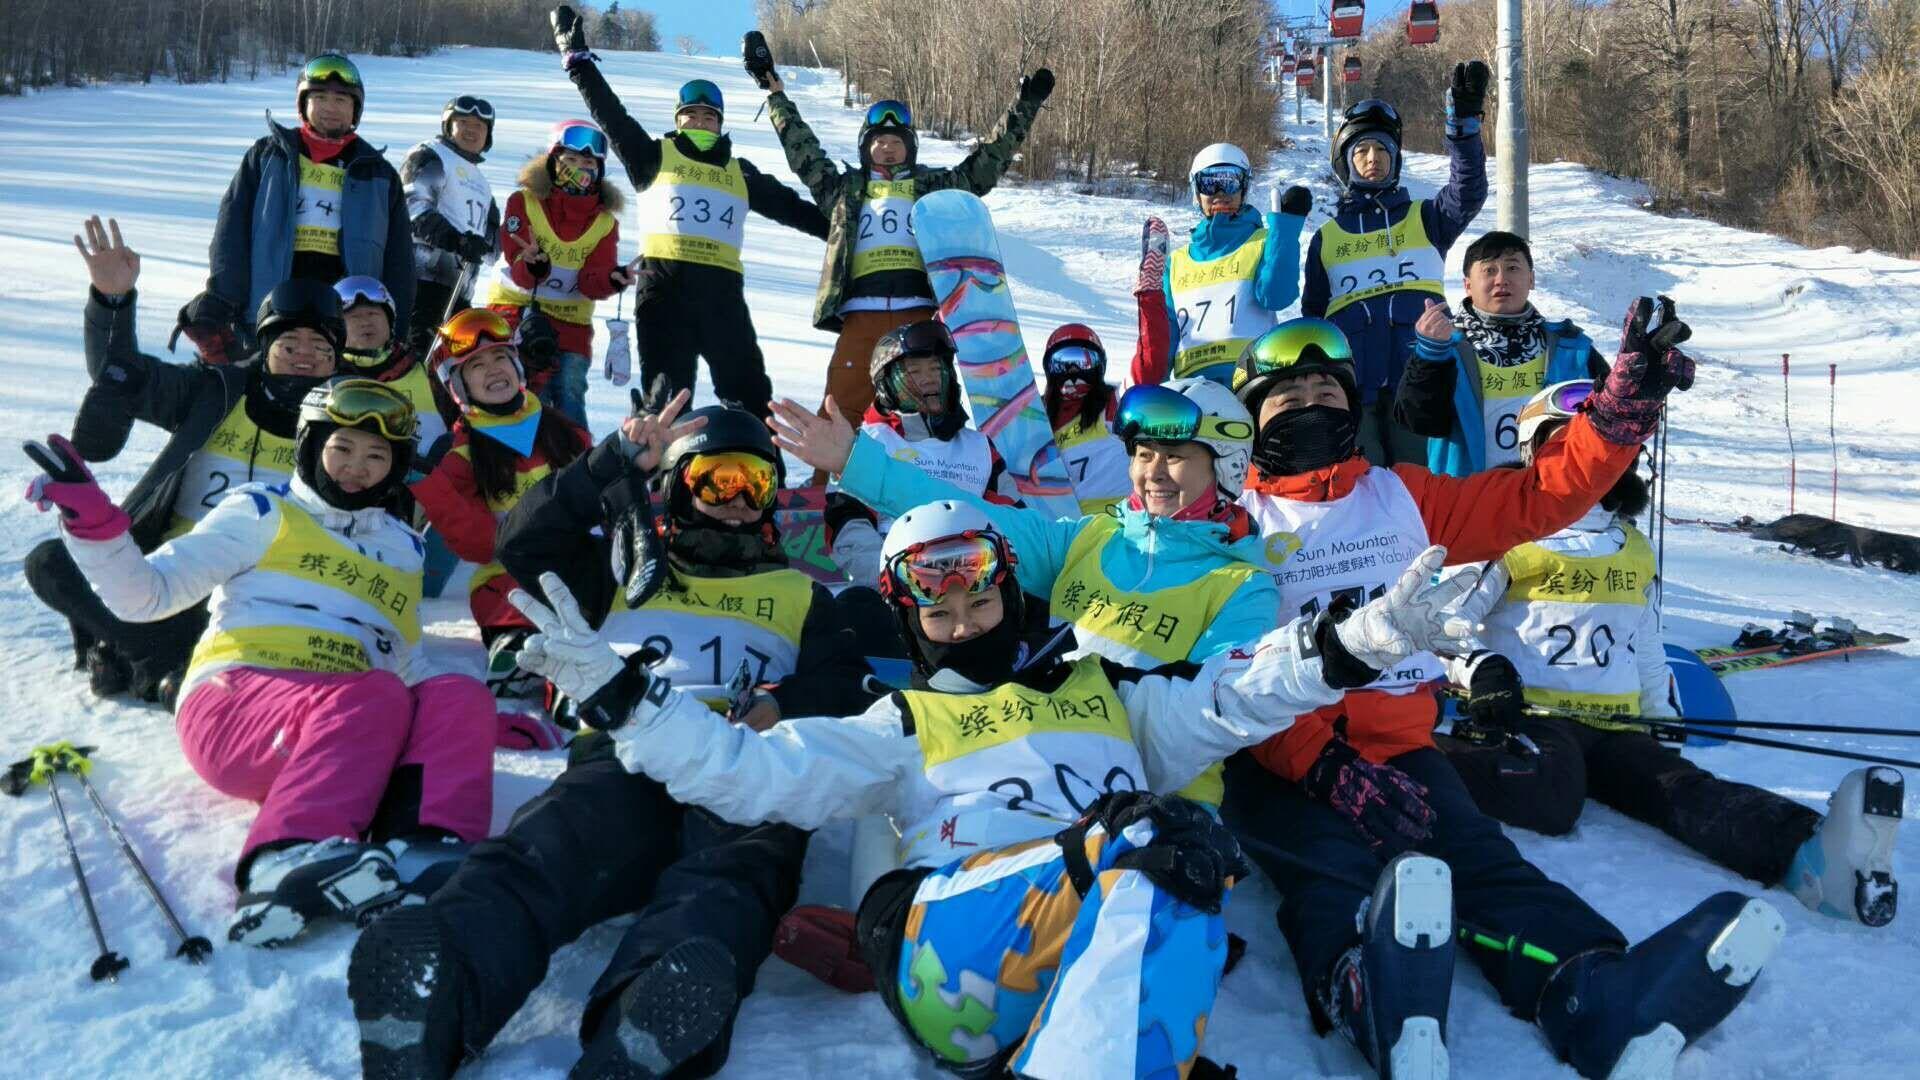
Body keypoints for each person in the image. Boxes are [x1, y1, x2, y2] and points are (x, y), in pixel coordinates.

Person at [499, 499, 1485, 1079]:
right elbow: (745, 775)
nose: (965, 619)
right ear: (908, 621)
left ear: (1012, 592)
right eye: (940, 608)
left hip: (1091, 931)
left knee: (1181, 850)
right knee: (1154, 837)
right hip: (947, 955)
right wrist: (626, 699)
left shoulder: (1115, 694)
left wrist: (1367, 639)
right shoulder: (899, 725)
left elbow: (1238, 695)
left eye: (981, 595)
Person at [1219, 310, 1787, 1079]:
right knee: (1329, 868)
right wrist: (1319, 766)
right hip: (1277, 757)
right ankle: (1366, 988)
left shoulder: (1403, 496)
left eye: (1329, 389)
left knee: (1482, 862)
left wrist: (1617, 419)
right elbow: (1226, 666)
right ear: (1251, 417)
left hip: (1399, 745)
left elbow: (1538, 499)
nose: (1313, 404)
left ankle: (1595, 992)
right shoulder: (1232, 525)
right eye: (1288, 397)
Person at [348, 397, 875, 1079]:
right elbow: (521, 542)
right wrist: (608, 465)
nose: (739, 500)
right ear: (678, 486)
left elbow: (844, 679)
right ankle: (440, 988)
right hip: (623, 759)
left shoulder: (802, 594)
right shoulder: (623, 573)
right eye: (719, 480)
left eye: (757, 483)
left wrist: (784, 703)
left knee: (726, 885)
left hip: (747, 768)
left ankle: (645, 1028)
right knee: (548, 849)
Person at [25, 377, 496, 946]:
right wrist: (96, 528)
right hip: (237, 703)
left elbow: (402, 657)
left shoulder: (404, 547)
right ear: (311, 445)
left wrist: (467, 720)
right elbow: (146, 595)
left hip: (350, 719)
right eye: (341, 447)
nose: (357, 466)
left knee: (459, 691)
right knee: (371, 693)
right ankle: (283, 860)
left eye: (377, 456)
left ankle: (425, 849)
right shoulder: (261, 511)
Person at [1438, 380, 1904, 928]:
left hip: (1616, 722)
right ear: (1536, 455)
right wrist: (1480, 669)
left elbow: (1645, 643)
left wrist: (1659, 712)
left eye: (1603, 451)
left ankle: (1813, 852)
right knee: (1552, 800)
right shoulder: (1507, 537)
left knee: (1679, 789)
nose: (1587, 466)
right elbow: (1446, 622)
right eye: (1566, 447)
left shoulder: (1633, 547)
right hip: (1535, 718)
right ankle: (1423, 757)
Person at [773, 376, 1280, 812]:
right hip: (1039, 761)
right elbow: (975, 516)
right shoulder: (1093, 537)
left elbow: (1206, 713)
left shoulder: (1242, 588)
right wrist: (855, 461)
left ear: (1226, 464)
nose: (1152, 473)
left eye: (1175, 457)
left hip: (1157, 799)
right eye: (1144, 454)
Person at [28, 218, 341, 705]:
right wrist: (113, 302)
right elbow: (123, 377)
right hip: (163, 568)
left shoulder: (341, 424)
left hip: (257, 589)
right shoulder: (214, 391)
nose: (305, 357)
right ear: (265, 345)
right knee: (49, 562)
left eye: (320, 349)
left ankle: (145, 655)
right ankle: (165, 662)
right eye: (290, 345)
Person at [549, 7, 830, 422]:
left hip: (722, 298)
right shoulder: (652, 156)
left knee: (749, 394)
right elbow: (611, 115)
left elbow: (797, 211)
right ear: (678, 121)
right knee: (666, 399)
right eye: (690, 115)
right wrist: (578, 62)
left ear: (719, 125)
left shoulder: (740, 172)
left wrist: (847, 232)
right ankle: (663, 478)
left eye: (708, 117)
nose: (699, 121)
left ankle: (767, 475)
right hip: (664, 291)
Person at [755, 55, 1051, 425]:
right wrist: (776, 97)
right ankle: (826, 480)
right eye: (879, 141)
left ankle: (939, 473)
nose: (888, 148)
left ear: (911, 148)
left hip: (918, 311)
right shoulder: (846, 190)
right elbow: (806, 153)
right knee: (841, 406)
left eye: (897, 141)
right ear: (866, 148)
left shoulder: (932, 189)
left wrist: (1025, 106)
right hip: (860, 313)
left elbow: (985, 164)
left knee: (927, 404)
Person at [1302, 65, 1490, 466]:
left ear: (1396, 160)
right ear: (1347, 163)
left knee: (1422, 496)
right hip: (1353, 389)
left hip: (1420, 382)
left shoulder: (1426, 219)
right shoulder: (1326, 238)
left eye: (1383, 150)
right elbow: (1312, 319)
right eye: (1362, 151)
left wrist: (1464, 127)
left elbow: (1468, 191)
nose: (1373, 159)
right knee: (1364, 494)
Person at [179, 53, 414, 362]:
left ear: (355, 109)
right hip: (271, 305)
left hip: (346, 315)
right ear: (303, 104)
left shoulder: (378, 173)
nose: (331, 107)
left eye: (342, 100)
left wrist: (395, 323)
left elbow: (399, 258)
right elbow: (231, 231)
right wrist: (225, 295)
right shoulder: (268, 156)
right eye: (320, 97)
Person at [409, 309, 591, 667]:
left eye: (500, 358)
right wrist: (435, 489)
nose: (493, 369)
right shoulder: (461, 456)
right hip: (513, 581)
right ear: (459, 387)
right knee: (506, 597)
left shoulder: (560, 431)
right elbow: (482, 546)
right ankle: (519, 656)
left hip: (579, 569)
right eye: (475, 366)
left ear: (518, 368)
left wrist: (633, 455)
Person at [1392, 231, 1608, 475]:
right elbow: (1418, 422)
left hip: (1555, 500)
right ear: (1467, 285)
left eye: (1513, 268)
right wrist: (1429, 356)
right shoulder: (1444, 349)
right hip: (1468, 500)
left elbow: (1611, 422)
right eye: (1489, 270)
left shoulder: (1571, 348)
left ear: (1532, 279)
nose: (1501, 279)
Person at [825, 319, 1020, 588]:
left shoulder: (980, 448)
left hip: (980, 580)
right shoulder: (868, 444)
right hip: (903, 585)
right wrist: (890, 580)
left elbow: (1013, 519)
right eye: (914, 371)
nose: (929, 378)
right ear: (887, 384)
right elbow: (848, 525)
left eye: (936, 367)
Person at [481, 119, 630, 432]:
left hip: (570, 324)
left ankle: (576, 466)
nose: (580, 169)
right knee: (515, 389)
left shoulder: (604, 222)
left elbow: (592, 279)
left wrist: (612, 279)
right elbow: (517, 259)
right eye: (571, 160)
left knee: (569, 391)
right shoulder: (523, 202)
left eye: (588, 162)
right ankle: (501, 457)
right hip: (517, 313)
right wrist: (534, 263)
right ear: (553, 161)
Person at [1134, 144, 1312, 387]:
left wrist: (1285, 230)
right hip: (1194, 389)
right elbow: (1167, 336)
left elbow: (1277, 296)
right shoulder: (1176, 263)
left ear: (1244, 188)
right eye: (1209, 183)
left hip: (1252, 380)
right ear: (1196, 191)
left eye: (1230, 182)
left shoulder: (1261, 242)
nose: (1220, 193)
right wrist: (1154, 392)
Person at [403, 96, 501, 356]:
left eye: (480, 126)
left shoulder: (481, 182)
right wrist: (456, 240)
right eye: (463, 122)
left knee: (452, 363)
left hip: (460, 289)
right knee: (415, 356)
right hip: (422, 280)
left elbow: (492, 250)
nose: (472, 130)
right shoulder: (431, 154)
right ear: (448, 125)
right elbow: (414, 207)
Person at [1042, 323, 1130, 516]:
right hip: (1058, 526)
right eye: (1062, 362)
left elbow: (1147, 371)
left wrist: (1149, 297)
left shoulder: (1114, 404)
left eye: (1083, 361)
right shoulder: (1039, 414)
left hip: (1113, 522)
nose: (1073, 371)